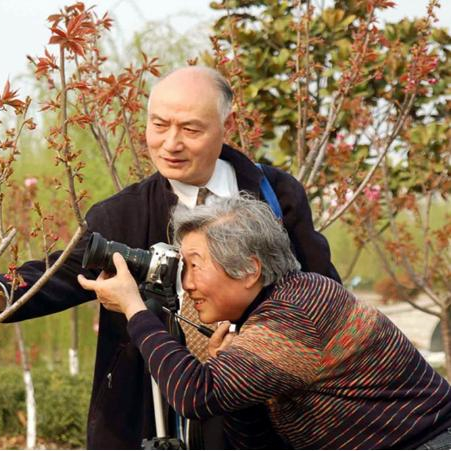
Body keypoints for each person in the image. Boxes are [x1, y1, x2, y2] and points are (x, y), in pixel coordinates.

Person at [0, 66, 340, 449]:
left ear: (225, 125)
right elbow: (56, 276)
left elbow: (323, 286)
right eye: (159, 125)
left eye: (190, 130)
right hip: (154, 404)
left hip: (258, 403)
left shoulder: (275, 194)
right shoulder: (121, 214)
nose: (170, 143)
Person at [79, 195, 451, 450]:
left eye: (195, 265)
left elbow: (194, 395)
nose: (186, 282)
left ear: (249, 270)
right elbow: (260, 444)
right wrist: (237, 394)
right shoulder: (287, 301)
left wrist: (135, 310)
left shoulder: (297, 313)